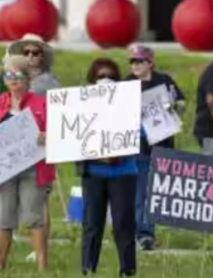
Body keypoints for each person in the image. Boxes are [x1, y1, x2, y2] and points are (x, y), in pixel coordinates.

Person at [0, 55, 55, 271]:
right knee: (3, 217)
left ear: (28, 78)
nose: (13, 80)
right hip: (4, 171)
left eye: (18, 75)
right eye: (8, 74)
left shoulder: (42, 104)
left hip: (34, 169)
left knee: (34, 216)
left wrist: (45, 135)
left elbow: (59, 134)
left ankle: (42, 266)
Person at [78, 58, 137, 276]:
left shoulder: (130, 104)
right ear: (93, 80)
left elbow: (140, 133)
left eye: (110, 76)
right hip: (94, 173)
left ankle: (127, 269)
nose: (105, 80)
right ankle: (87, 268)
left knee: (123, 223)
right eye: (101, 76)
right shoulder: (81, 106)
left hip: (124, 172)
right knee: (92, 224)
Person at [6, 33, 61, 259]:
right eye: (26, 52)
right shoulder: (19, 78)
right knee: (26, 197)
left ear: (43, 56)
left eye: (35, 53)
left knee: (40, 197)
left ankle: (40, 248)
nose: (30, 57)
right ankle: (35, 245)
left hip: (43, 144)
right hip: (22, 144)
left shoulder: (48, 83)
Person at [126, 45, 185, 251]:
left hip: (162, 143)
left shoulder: (164, 80)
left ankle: (147, 229)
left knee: (157, 190)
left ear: (150, 63)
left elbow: (182, 103)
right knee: (141, 190)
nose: (134, 65)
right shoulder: (126, 84)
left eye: (139, 61)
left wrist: (174, 105)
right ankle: (144, 233)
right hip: (138, 146)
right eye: (132, 61)